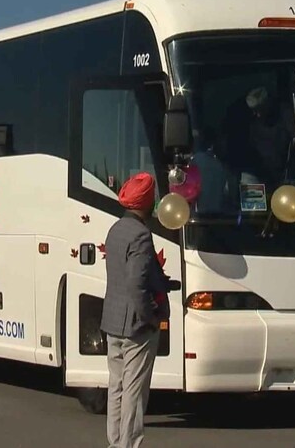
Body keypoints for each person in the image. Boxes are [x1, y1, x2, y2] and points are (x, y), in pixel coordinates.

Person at [100, 172, 172, 448]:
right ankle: (128, 444)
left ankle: (115, 441)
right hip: (136, 325)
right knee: (134, 391)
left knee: (116, 386)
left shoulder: (116, 229)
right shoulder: (142, 235)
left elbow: (126, 273)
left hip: (113, 320)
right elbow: (135, 282)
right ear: (146, 202)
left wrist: (162, 281)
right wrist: (151, 316)